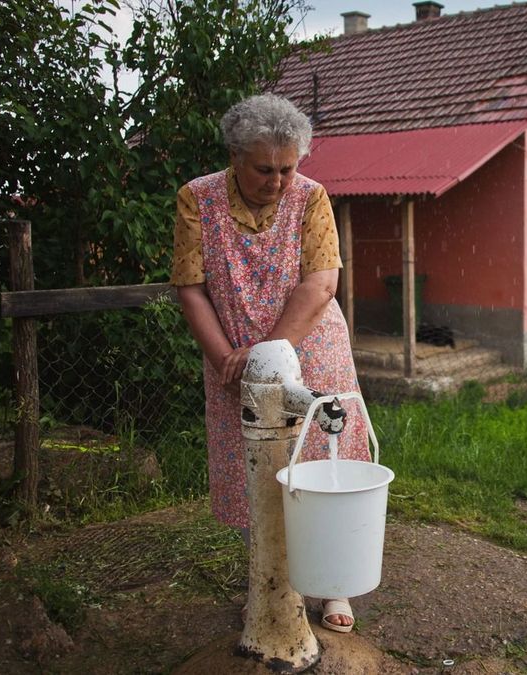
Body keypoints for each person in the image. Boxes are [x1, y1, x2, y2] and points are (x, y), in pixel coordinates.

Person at [171, 93, 369, 633]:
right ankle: (270, 585)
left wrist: (268, 355)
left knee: (323, 466)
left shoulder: (312, 199)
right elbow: (191, 289)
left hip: (312, 349)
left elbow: (322, 282)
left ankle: (333, 586)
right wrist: (225, 360)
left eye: (287, 168)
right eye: (264, 169)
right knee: (253, 475)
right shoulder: (197, 199)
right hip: (231, 359)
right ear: (235, 156)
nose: (278, 181)